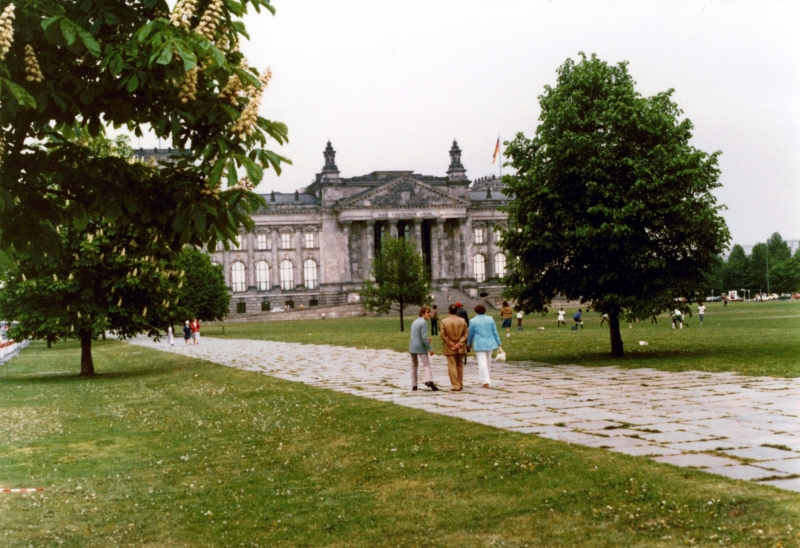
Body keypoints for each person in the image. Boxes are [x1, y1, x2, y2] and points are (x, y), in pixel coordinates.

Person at [468, 304, 502, 389]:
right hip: (490, 342)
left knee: (482, 362)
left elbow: (470, 334)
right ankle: (487, 378)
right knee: (488, 362)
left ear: (476, 311)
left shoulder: (473, 321)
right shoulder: (490, 319)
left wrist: (469, 343)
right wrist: (498, 342)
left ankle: (485, 380)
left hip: (479, 343)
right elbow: (495, 331)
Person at [440, 304, 468, 391]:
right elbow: (466, 334)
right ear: (457, 311)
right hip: (460, 345)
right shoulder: (462, 321)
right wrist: (460, 344)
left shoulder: (444, 321)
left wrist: (451, 344)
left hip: (449, 346)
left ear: (448, 311)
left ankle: (456, 385)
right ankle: (460, 383)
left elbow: (443, 335)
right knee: (460, 365)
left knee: (452, 365)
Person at [409, 307, 438, 391]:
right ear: (422, 313)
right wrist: (430, 348)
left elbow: (416, 335)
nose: (429, 314)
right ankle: (429, 380)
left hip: (412, 346)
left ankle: (414, 385)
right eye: (427, 312)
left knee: (414, 365)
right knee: (426, 364)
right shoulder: (424, 323)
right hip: (420, 346)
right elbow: (424, 337)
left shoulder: (415, 321)